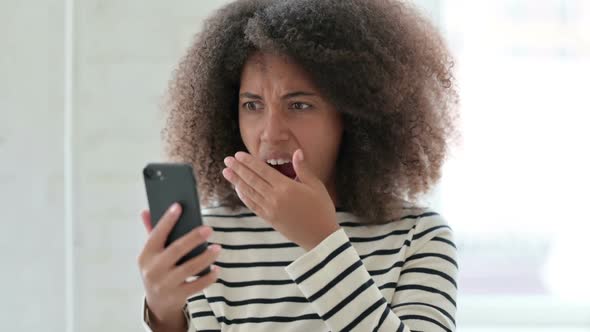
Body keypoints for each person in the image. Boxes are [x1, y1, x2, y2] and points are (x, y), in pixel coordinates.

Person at [137, 0, 462, 331]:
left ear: (353, 116)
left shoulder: (418, 237)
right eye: (252, 104)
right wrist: (165, 317)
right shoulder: (209, 240)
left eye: (299, 105)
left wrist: (322, 241)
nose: (270, 133)